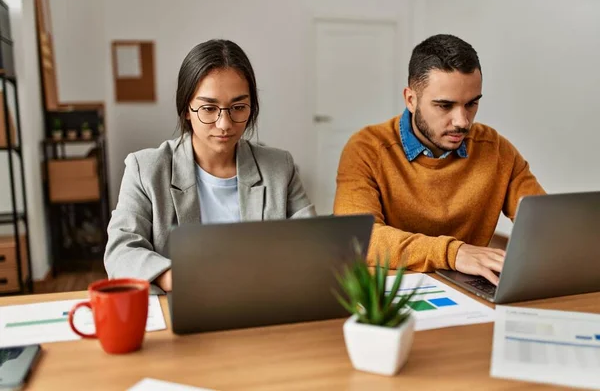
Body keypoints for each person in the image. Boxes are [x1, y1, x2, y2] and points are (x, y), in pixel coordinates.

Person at [104, 39, 316, 292]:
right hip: (184, 306)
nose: (224, 123)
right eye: (208, 108)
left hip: (261, 303)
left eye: (238, 107)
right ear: (186, 109)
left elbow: (312, 244)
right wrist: (172, 276)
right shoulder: (146, 168)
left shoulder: (279, 167)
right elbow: (121, 250)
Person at [334, 34, 545, 286]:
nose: (462, 121)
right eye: (445, 106)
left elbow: (546, 222)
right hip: (394, 292)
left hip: (469, 291)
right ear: (411, 99)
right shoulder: (367, 148)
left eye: (471, 104)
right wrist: (453, 253)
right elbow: (359, 238)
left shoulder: (496, 149)